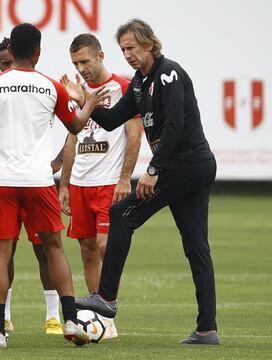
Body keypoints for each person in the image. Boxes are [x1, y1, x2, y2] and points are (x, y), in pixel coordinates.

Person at [74, 19, 219, 345]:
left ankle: (106, 298)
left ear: (150, 45)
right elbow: (111, 120)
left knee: (121, 214)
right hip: (187, 168)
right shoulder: (139, 83)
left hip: (186, 165)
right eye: (123, 49)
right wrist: (85, 99)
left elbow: (176, 126)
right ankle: (207, 329)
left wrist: (152, 170)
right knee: (196, 247)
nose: (127, 54)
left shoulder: (169, 74)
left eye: (132, 48)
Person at [0, 23, 98, 348]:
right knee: (53, 248)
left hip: (1, 180)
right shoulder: (51, 86)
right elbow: (76, 125)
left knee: (0, 255)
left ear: (11, 51)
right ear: (38, 51)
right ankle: (69, 320)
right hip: (39, 181)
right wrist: (90, 102)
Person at [57, 33, 142, 339]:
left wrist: (124, 178)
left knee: (106, 244)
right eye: (75, 63)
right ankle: (99, 318)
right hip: (80, 182)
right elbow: (72, 136)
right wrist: (64, 183)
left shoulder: (122, 87)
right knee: (87, 248)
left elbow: (134, 135)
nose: (81, 68)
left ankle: (106, 307)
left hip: (108, 182)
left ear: (101, 56)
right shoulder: (76, 91)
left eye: (85, 61)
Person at [0, 37, 64, 335]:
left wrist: (56, 163)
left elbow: (73, 131)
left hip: (34, 180)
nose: (5, 68)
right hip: (6, 181)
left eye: (8, 62)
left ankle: (53, 316)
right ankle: (3, 316)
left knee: (44, 250)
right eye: (1, 64)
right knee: (6, 252)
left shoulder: (42, 89)